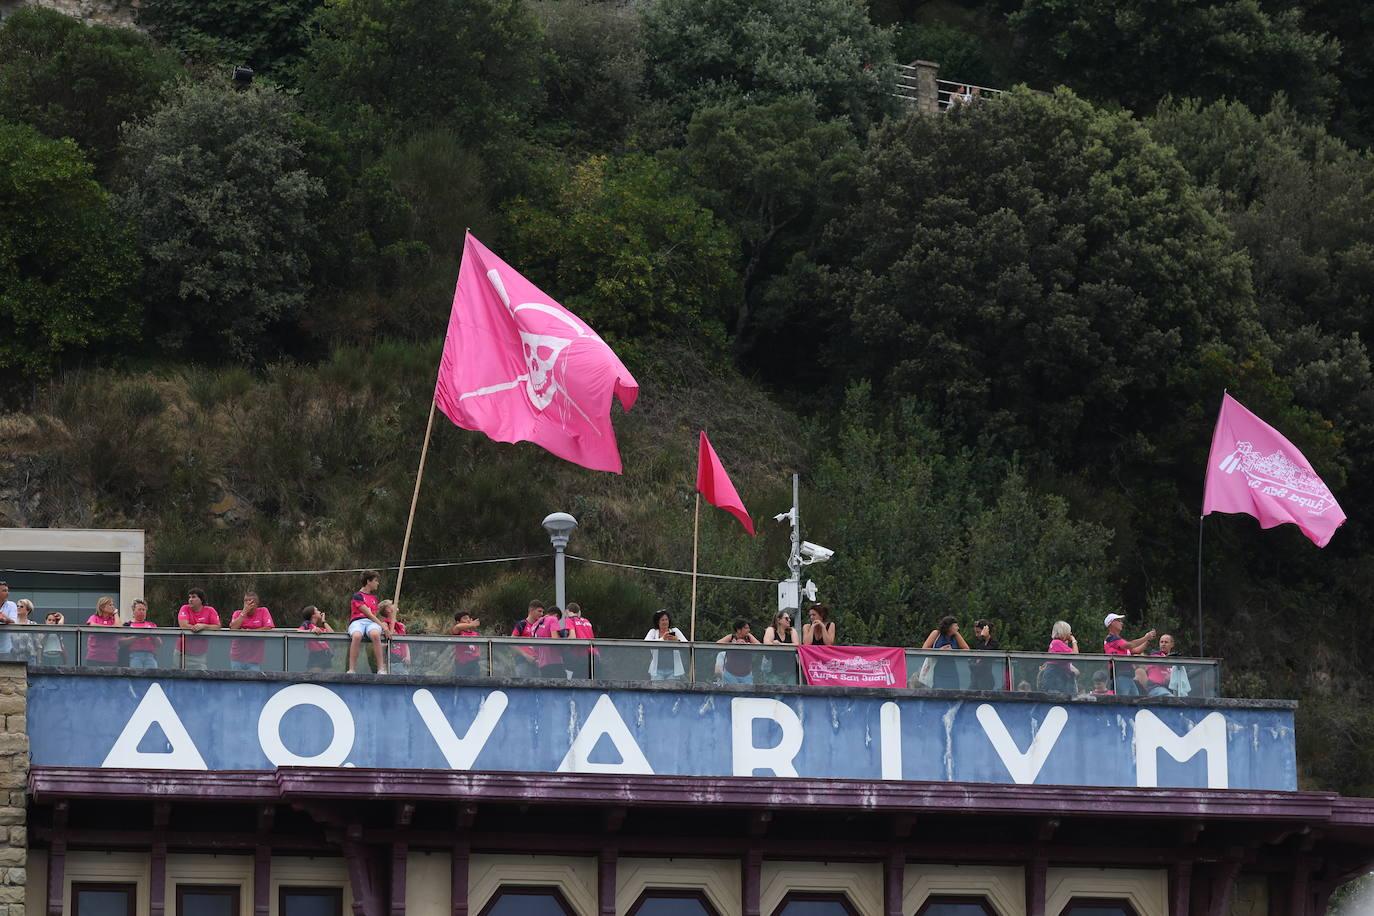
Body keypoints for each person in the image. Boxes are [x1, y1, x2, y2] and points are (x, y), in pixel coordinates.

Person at [1103, 613, 1155, 696]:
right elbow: (1130, 645)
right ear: (1111, 623)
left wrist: (1147, 641)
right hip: (1120, 676)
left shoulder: (1117, 640)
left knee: (1134, 701)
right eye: (1119, 621)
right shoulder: (1111, 638)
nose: (1121, 623)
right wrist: (1146, 637)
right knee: (1124, 702)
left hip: (1127, 676)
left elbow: (1136, 650)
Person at [346, 571, 387, 674]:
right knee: (357, 636)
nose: (378, 583)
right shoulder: (357, 596)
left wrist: (382, 625)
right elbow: (369, 614)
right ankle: (351, 669)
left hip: (371, 623)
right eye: (376, 581)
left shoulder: (374, 598)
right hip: (358, 621)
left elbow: (373, 616)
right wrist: (383, 626)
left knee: (375, 634)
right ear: (368, 581)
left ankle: (381, 668)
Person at [229, 590, 275, 672]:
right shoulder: (237, 613)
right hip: (237, 657)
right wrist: (244, 613)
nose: (247, 603)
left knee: (254, 683)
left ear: (256, 603)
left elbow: (268, 627)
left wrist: (250, 631)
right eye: (245, 601)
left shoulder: (263, 611)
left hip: (255, 659)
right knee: (237, 682)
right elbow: (233, 628)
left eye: (250, 601)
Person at [177, 588, 221, 670]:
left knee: (201, 677)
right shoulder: (185, 608)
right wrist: (195, 627)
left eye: (193, 597)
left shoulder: (210, 610)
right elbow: (183, 625)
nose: (190, 600)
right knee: (177, 676)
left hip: (200, 654)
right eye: (189, 597)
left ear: (201, 600)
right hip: (181, 652)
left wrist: (203, 626)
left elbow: (217, 626)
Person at [920, 616, 970, 689]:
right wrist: (939, 651)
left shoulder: (956, 635)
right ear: (949, 626)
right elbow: (924, 649)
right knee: (938, 690)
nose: (958, 628)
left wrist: (953, 652)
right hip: (937, 667)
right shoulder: (936, 633)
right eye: (955, 626)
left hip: (951, 669)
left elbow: (967, 649)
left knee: (953, 690)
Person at [644, 610, 687, 681]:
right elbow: (646, 644)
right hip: (657, 671)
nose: (665, 622)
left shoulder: (675, 631)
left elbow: (686, 644)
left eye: (666, 619)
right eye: (662, 620)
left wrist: (677, 640)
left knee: (671, 691)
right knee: (657, 691)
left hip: (673, 671)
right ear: (658, 622)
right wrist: (662, 638)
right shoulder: (653, 632)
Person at [1039, 620, 1079, 695]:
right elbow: (1075, 654)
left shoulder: (1056, 643)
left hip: (1057, 675)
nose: (1070, 634)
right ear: (1063, 632)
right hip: (1056, 678)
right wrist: (1074, 640)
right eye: (1068, 631)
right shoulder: (1057, 643)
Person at [715, 620, 760, 685]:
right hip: (730, 674)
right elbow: (717, 644)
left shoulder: (749, 637)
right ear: (738, 630)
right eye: (746, 628)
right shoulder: (731, 637)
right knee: (730, 693)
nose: (748, 630)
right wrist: (733, 644)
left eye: (749, 628)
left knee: (747, 694)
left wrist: (747, 644)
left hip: (746, 675)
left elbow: (760, 646)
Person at [120, 599, 162, 669]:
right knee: (136, 675)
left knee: (152, 676)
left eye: (143, 610)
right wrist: (136, 636)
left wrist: (151, 634)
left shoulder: (151, 625)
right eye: (139, 609)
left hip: (150, 655)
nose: (142, 611)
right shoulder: (127, 625)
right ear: (133, 612)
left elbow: (159, 643)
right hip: (134, 655)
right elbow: (121, 642)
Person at [84, 595, 121, 667]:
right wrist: (111, 628)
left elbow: (119, 627)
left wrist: (116, 613)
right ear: (102, 607)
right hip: (94, 656)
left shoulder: (114, 619)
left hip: (111, 657)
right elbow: (92, 626)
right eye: (110, 605)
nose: (113, 607)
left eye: (113, 605)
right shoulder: (94, 617)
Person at [510, 600, 545, 677]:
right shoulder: (522, 624)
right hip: (523, 661)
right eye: (539, 611)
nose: (541, 614)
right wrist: (525, 655)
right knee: (524, 685)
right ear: (531, 610)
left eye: (542, 612)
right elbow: (511, 642)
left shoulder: (541, 626)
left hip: (538, 662)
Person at [531, 606, 565, 679]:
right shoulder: (553, 619)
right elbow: (555, 639)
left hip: (542, 663)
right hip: (555, 661)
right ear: (556, 615)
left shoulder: (534, 625)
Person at [562, 602, 595, 678]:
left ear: (567, 611)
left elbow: (572, 637)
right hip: (594, 655)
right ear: (579, 612)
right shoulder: (586, 621)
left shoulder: (570, 620)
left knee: (577, 683)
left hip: (582, 656)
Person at [299, 606, 334, 672]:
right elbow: (299, 631)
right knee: (315, 676)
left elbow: (332, 633)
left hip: (326, 655)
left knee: (328, 677)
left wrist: (323, 621)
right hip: (316, 655)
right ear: (313, 615)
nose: (320, 612)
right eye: (317, 610)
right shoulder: (307, 623)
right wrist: (311, 631)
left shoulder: (318, 628)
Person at [379, 600, 409, 675]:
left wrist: (408, 655)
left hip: (402, 659)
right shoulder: (385, 625)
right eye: (392, 604)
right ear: (388, 610)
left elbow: (405, 642)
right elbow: (382, 644)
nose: (395, 604)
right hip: (392, 658)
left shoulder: (401, 626)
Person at [969, 619, 1000, 691]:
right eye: (975, 632)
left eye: (978, 632)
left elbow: (985, 654)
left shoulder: (994, 643)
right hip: (975, 677)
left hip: (986, 678)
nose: (976, 635)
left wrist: (984, 636)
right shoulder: (977, 642)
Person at [451, 611, 483, 678]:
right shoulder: (458, 632)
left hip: (474, 664)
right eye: (465, 618)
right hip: (462, 664)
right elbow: (457, 627)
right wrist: (471, 625)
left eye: (469, 618)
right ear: (458, 622)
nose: (468, 620)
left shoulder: (475, 633)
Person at [0, 581, 17, 659]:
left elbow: (13, 622)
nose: (7, 593)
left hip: (5, 649)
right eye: (4, 591)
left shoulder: (11, 605)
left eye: (7, 590)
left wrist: (3, 618)